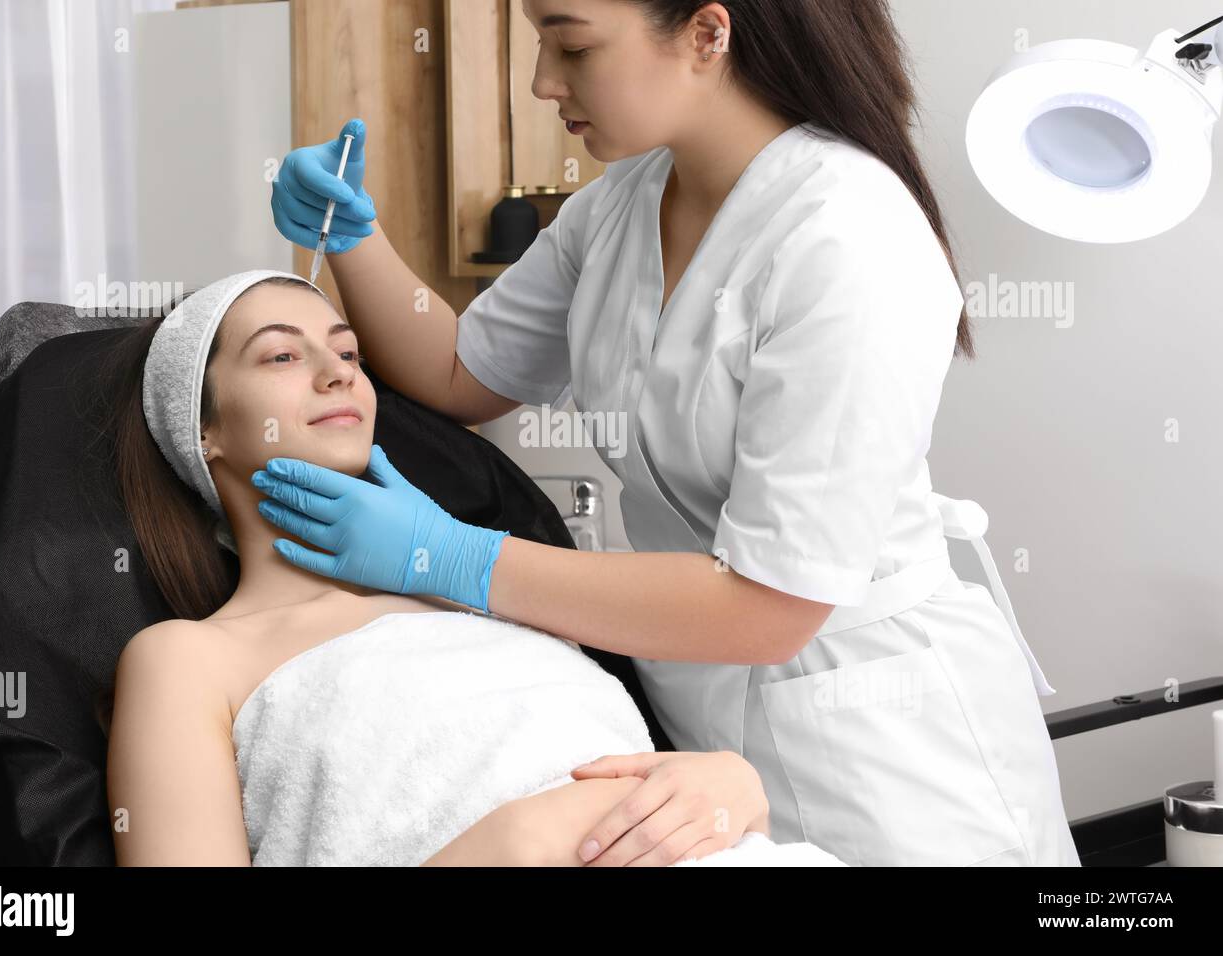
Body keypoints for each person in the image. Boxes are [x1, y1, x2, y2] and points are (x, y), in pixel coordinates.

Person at [264, 0, 1081, 865]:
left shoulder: (849, 235)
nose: (544, 81)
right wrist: (350, 237)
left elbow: (770, 605)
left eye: (571, 45)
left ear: (707, 32)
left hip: (887, 750)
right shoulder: (617, 208)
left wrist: (450, 555)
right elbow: (463, 372)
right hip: (700, 742)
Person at [104, 271, 847, 867]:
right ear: (201, 428)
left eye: (350, 353)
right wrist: (512, 846)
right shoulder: (188, 660)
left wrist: (734, 787)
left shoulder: (481, 590)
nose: (338, 374)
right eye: (282, 355)